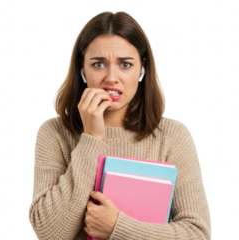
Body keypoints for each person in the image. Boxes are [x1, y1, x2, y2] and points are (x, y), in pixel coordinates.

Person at [28, 10, 211, 240]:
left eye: (125, 64)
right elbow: (49, 233)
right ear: (82, 69)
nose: (111, 77)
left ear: (142, 69)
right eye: (98, 64)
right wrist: (91, 138)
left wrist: (117, 227)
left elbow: (198, 234)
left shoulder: (173, 136)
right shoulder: (54, 132)